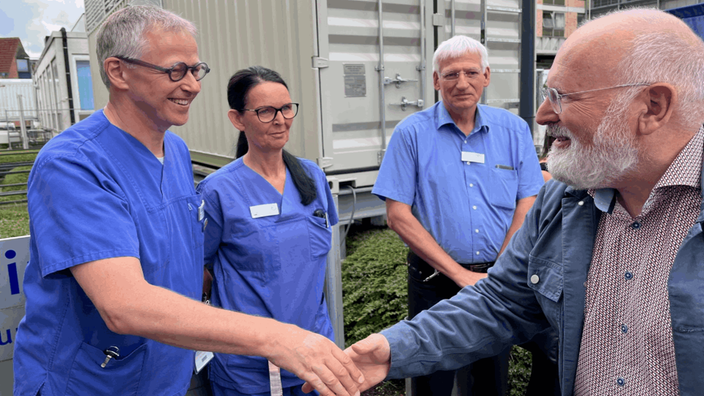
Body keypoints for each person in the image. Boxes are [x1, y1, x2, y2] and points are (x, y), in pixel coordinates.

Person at [341, 8, 704, 396]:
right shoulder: (567, 199)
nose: (544, 115)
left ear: (653, 106)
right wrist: (392, 350)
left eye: (561, 96)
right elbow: (501, 302)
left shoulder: (522, 143)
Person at [12, 6, 362, 396]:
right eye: (175, 71)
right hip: (94, 381)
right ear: (118, 72)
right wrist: (278, 337)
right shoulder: (73, 164)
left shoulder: (175, 153)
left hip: (169, 374)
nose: (193, 85)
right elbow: (124, 304)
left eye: (196, 70)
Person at [371, 34, 545, 395]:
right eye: (450, 74)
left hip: (496, 282)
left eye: (470, 72)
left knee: (491, 381)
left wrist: (500, 269)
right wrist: (460, 274)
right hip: (434, 280)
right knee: (431, 381)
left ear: (486, 75)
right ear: (436, 81)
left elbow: (527, 201)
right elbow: (397, 215)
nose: (461, 83)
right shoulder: (411, 134)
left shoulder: (513, 130)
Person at [196, 66, 338, 396]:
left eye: (286, 108)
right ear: (238, 119)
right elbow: (197, 269)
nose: (280, 119)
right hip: (250, 366)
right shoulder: (218, 192)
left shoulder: (312, 177)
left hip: (314, 355)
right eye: (265, 111)